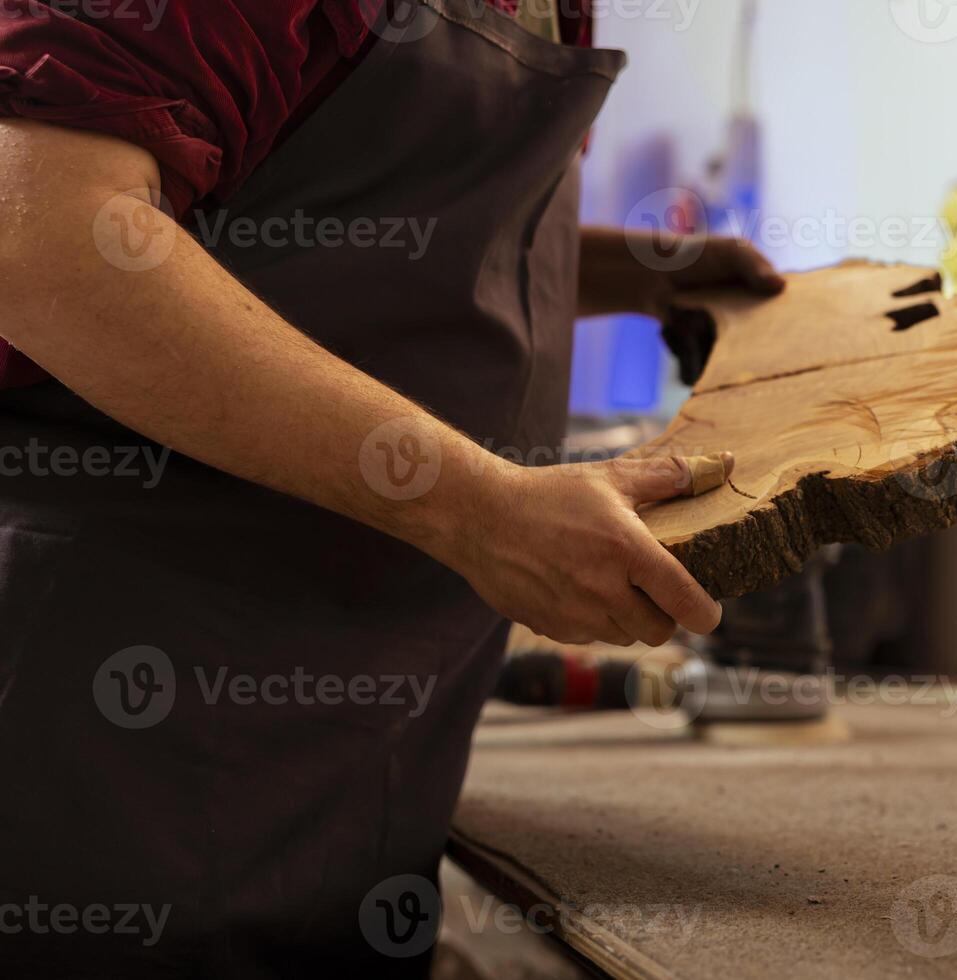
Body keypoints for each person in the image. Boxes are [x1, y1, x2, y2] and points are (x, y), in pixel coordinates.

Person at [0, 0, 783, 975]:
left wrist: (653, 273)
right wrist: (482, 508)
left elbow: (380, 235)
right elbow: (42, 232)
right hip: (123, 717)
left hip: (366, 742)